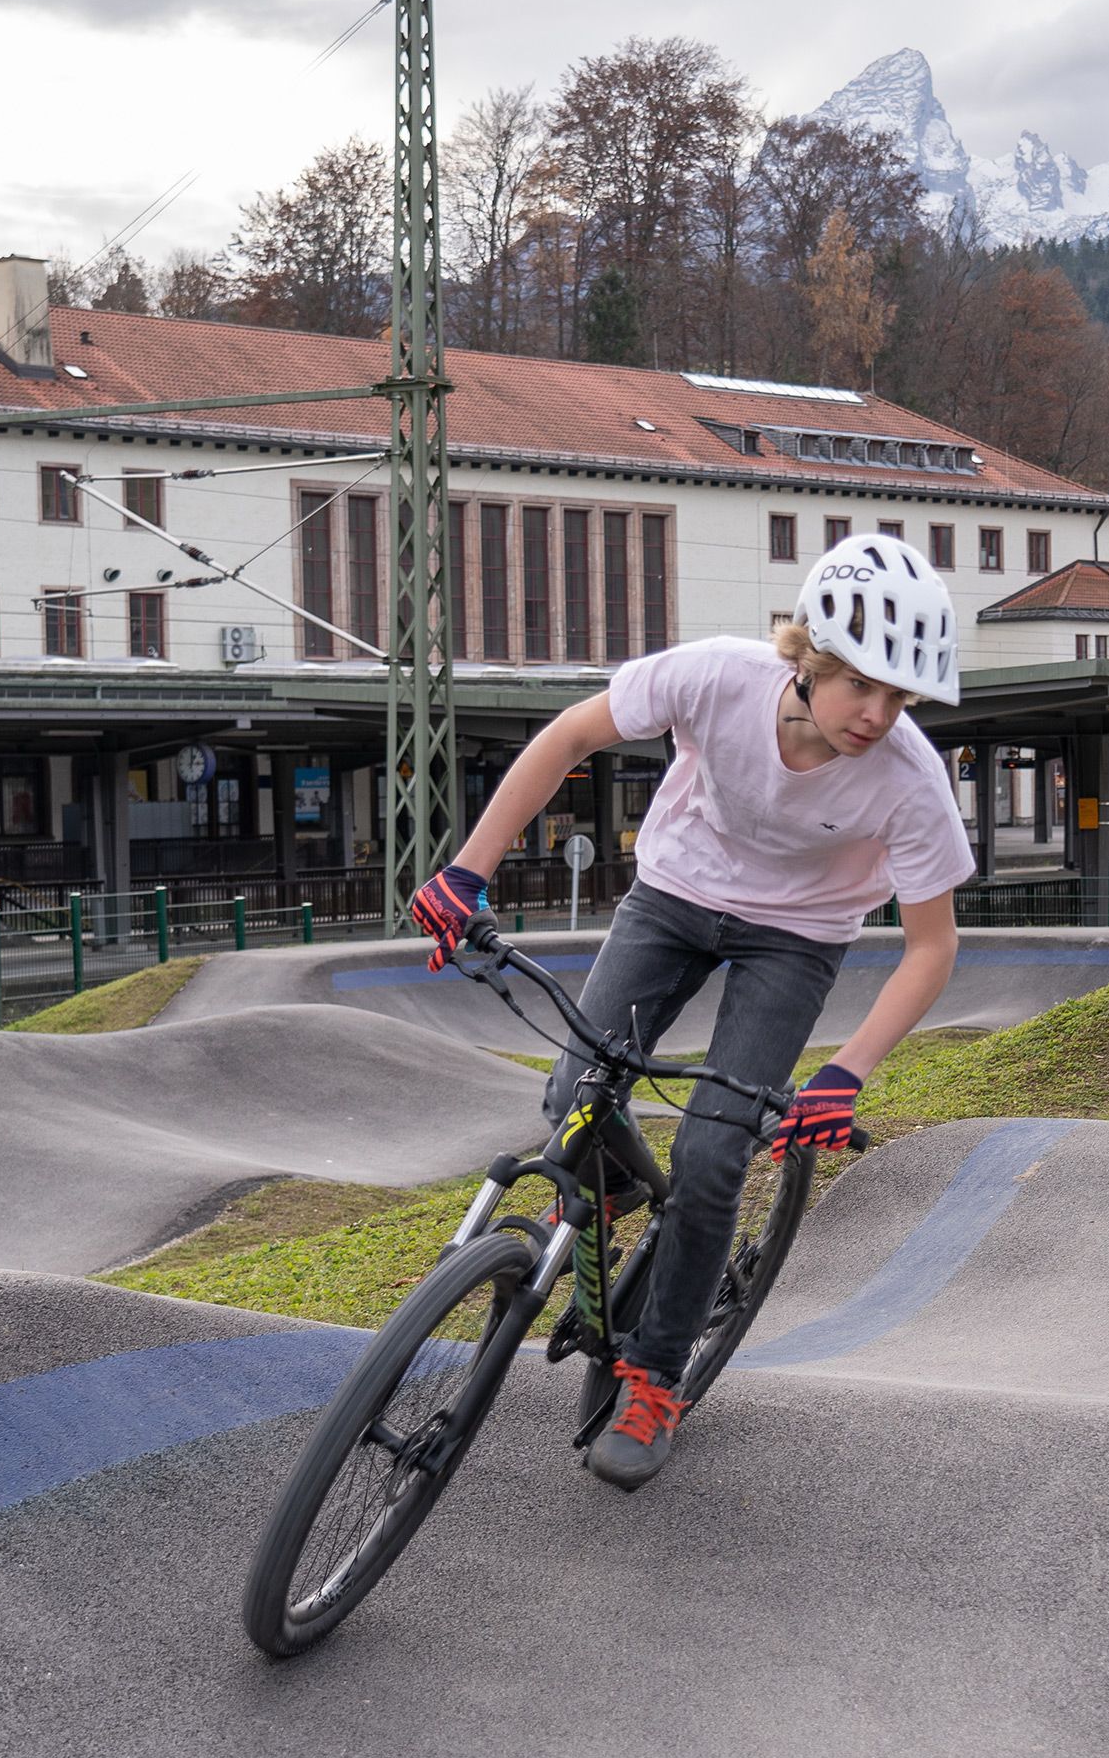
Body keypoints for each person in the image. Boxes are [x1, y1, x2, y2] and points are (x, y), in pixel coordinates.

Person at [410, 534, 973, 1489]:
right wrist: (468, 870)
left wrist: (846, 1074)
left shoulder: (908, 780)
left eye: (900, 698)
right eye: (861, 689)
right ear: (812, 661)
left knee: (713, 1155)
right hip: (673, 896)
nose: (878, 716)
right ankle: (619, 1185)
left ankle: (655, 1377)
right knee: (571, 1099)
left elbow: (933, 946)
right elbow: (568, 738)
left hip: (794, 939)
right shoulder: (717, 677)